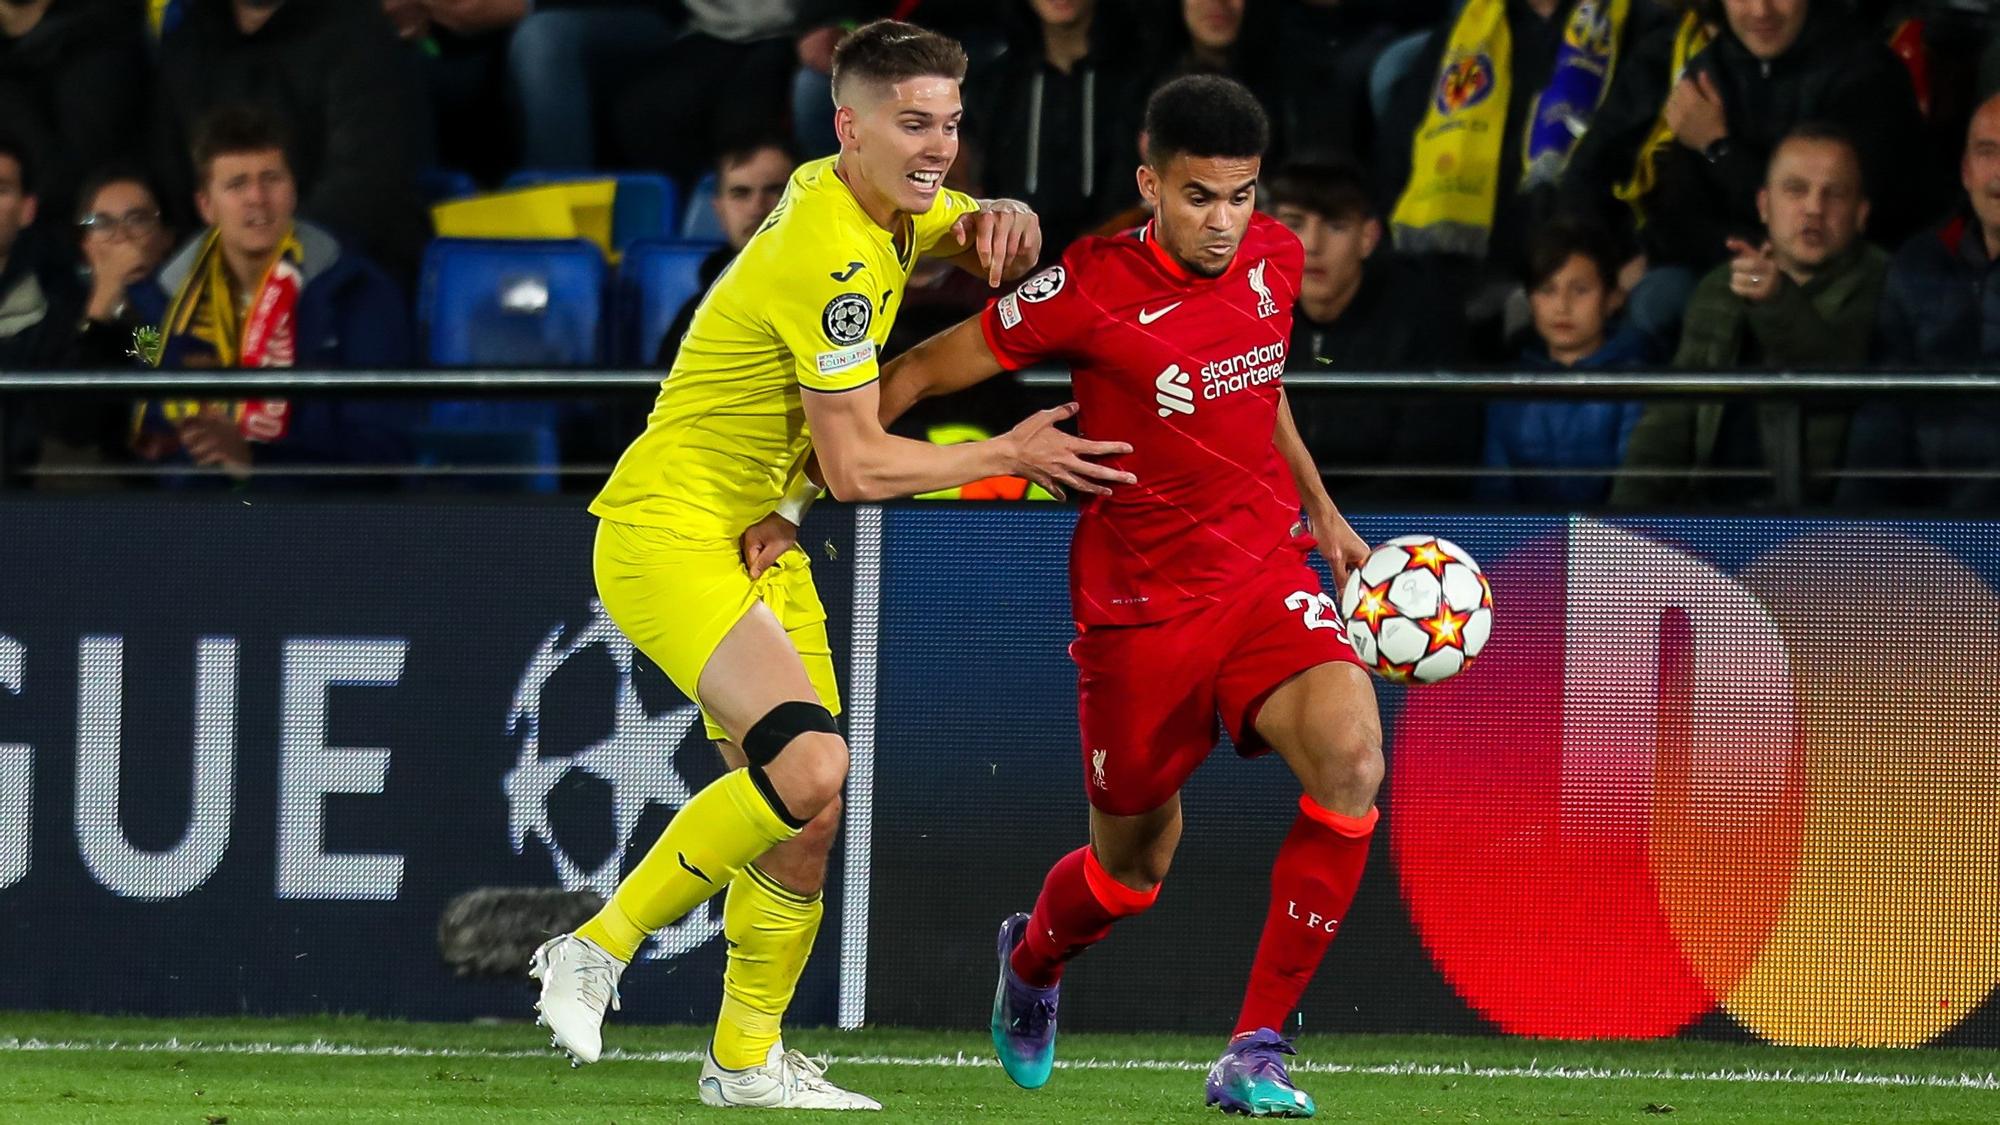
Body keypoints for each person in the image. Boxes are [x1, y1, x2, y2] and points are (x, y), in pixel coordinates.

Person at [528, 20, 1131, 1112]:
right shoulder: (830, 253)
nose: (937, 147)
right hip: (668, 528)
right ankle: (595, 948)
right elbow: (855, 464)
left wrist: (1009, 214)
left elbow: (964, 225)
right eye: (913, 124)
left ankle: (744, 1062)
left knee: (806, 818)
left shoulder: (864, 191)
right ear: (847, 124)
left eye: (949, 124)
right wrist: (1010, 451)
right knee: (809, 767)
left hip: (754, 528)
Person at [870, 74, 1379, 1118]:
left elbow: (1259, 384)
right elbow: (916, 373)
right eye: (1199, 197)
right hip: (1138, 616)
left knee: (1351, 760)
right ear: (1149, 183)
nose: (1224, 222)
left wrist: (1320, 514)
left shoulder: (1273, 259)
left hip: (1259, 575)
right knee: (1129, 874)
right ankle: (1034, 959)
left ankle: (1256, 1047)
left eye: (1239, 195)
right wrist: (804, 481)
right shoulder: (1085, 288)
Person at [125, 104, 416, 483]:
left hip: (325, 525)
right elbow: (147, 438)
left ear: (293, 189)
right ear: (206, 206)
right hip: (199, 523)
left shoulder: (359, 292)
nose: (257, 198)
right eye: (236, 184)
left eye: (271, 178)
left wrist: (256, 465)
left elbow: (384, 452)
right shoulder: (156, 307)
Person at [1613, 124, 1887, 507]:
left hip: (1815, 529)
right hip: (1712, 517)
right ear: (1763, 205)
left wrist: (1775, 299)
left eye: (1834, 194)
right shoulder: (1719, 286)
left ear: (1861, 215)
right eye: (1795, 190)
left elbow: (1836, 381)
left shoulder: (1883, 283)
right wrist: (1623, 522)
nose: (1813, 208)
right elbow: (1671, 419)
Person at [1268, 158, 1481, 502]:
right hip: (1274, 530)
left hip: (1385, 530)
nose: (1312, 245)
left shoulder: (1423, 318)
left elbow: (1431, 473)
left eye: (1335, 227)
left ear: (1368, 237)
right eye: (1294, 224)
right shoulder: (1245, 313)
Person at [1841, 89, 2000, 509]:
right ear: (1966, 172)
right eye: (1988, 153)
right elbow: (1886, 402)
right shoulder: (1920, 261)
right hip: (1921, 512)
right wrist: (1852, 527)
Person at [1478, 217, 1652, 505]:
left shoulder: (1637, 382)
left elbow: (1636, 496)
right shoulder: (1510, 388)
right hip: (1524, 545)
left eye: (1580, 290)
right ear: (1530, 300)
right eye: (1547, 290)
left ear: (1613, 297)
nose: (1562, 306)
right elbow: (1494, 492)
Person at [654, 139, 799, 367]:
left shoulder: (840, 291)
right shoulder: (693, 318)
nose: (757, 207)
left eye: (775, 190)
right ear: (719, 210)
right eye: (740, 193)